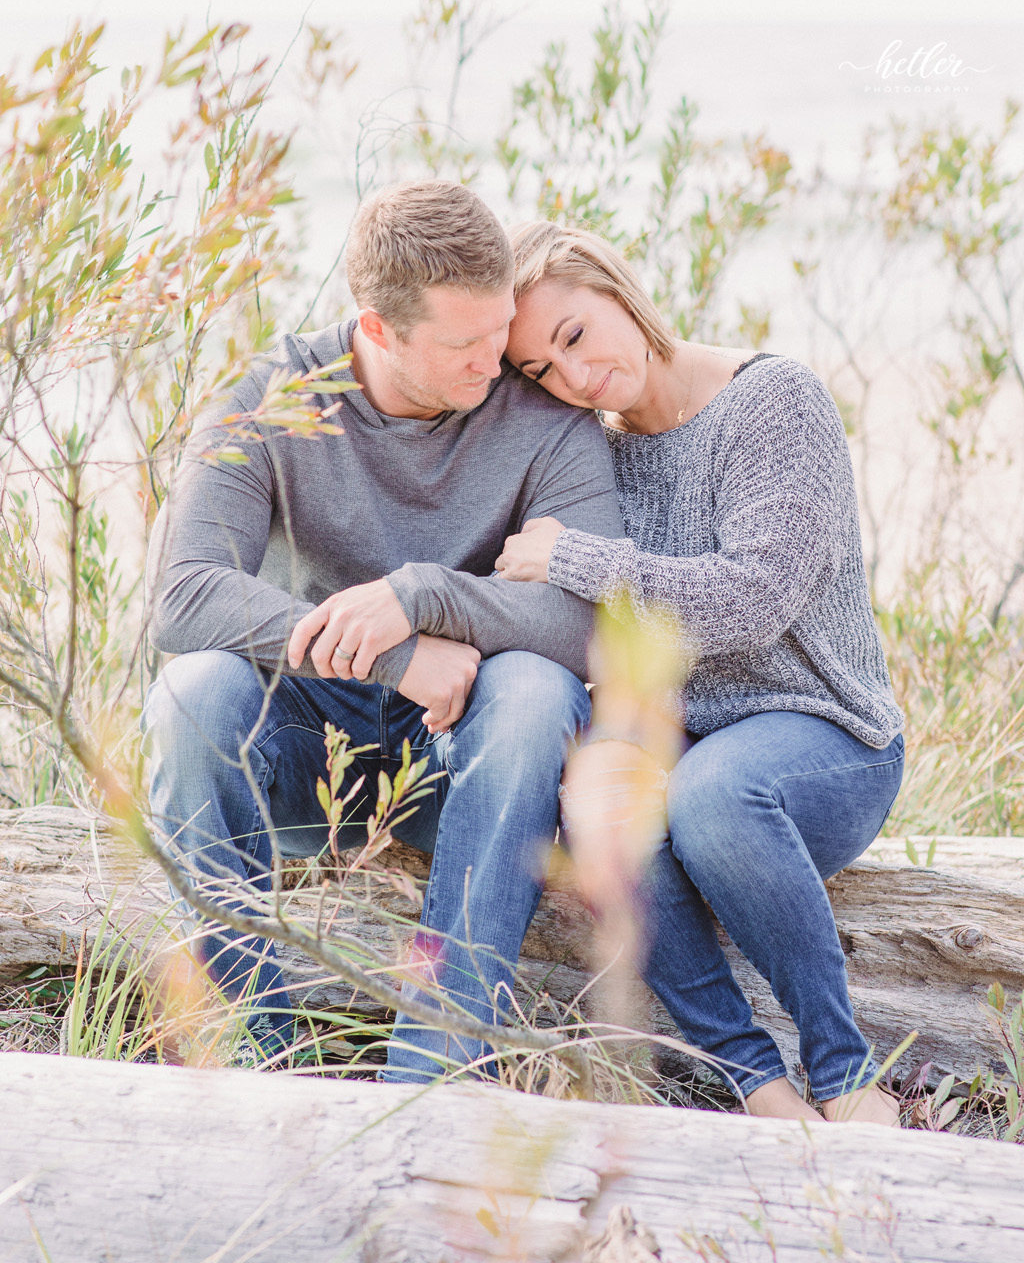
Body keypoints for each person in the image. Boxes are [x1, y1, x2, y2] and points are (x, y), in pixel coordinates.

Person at [142, 183, 622, 1081]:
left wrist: (422, 599)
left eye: (501, 327)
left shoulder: (547, 418)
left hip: (467, 759)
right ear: (378, 326)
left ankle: (434, 1068)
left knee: (533, 693)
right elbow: (184, 594)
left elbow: (588, 625)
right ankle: (257, 1061)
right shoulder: (273, 396)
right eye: (463, 343)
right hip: (300, 754)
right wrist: (397, 652)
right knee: (192, 695)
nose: (497, 359)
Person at [491, 221, 906, 1126]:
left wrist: (581, 562)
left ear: (616, 287)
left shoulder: (774, 402)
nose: (576, 376)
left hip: (826, 736)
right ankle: (755, 1081)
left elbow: (753, 600)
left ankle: (844, 1074)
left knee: (714, 796)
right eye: (542, 373)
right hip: (686, 743)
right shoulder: (590, 454)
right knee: (599, 807)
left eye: (573, 335)